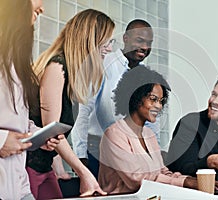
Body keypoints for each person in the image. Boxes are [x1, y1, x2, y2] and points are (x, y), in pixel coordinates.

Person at [26, 9, 114, 199]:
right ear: (89, 39)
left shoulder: (72, 75)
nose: (109, 48)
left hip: (43, 167)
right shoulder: (57, 68)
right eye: (106, 42)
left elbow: (49, 133)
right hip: (26, 169)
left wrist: (60, 171)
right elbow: (53, 132)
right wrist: (84, 173)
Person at [71, 19, 156, 178]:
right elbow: (82, 110)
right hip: (98, 151)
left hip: (133, 151)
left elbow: (152, 118)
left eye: (149, 43)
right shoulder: (104, 64)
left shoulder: (146, 76)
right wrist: (80, 156)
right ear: (125, 38)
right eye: (140, 40)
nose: (145, 47)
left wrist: (155, 153)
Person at [98, 67, 199, 194]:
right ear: (135, 96)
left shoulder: (148, 134)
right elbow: (136, 179)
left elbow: (161, 172)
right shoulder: (114, 134)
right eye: (153, 99)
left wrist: (190, 180)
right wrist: (184, 183)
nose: (159, 106)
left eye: (161, 101)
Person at [0, 0, 61, 199]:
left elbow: (15, 120)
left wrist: (37, 136)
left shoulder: (15, 62)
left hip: (17, 186)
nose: (42, 9)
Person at [166, 73, 218, 190]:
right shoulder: (189, 123)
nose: (215, 101)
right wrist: (210, 162)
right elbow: (177, 167)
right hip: (188, 193)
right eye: (214, 94)